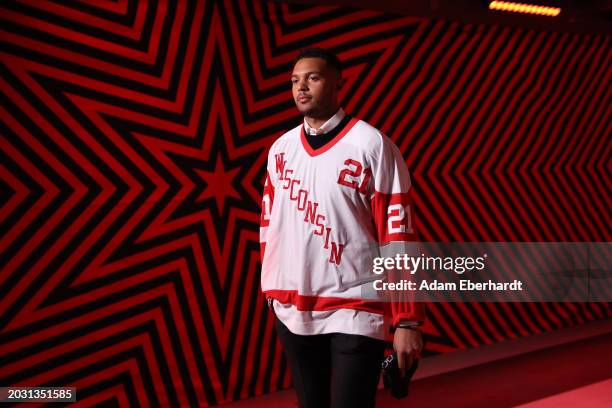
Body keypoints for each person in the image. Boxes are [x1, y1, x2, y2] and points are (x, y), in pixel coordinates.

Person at [259, 47, 425, 408]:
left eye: (313, 78)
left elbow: (398, 233)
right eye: (294, 81)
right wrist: (271, 290)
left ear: (338, 84)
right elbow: (269, 225)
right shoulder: (280, 149)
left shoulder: (371, 144)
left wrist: (407, 320)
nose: (301, 88)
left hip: (356, 306)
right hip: (293, 310)